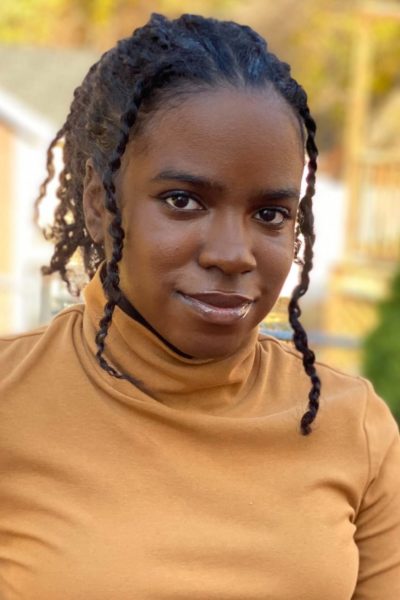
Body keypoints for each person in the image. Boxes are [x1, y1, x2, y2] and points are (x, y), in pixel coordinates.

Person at [0, 12, 399, 600]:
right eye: (183, 200)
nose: (234, 255)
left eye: (270, 214)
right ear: (99, 204)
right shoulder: (14, 401)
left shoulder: (353, 427)